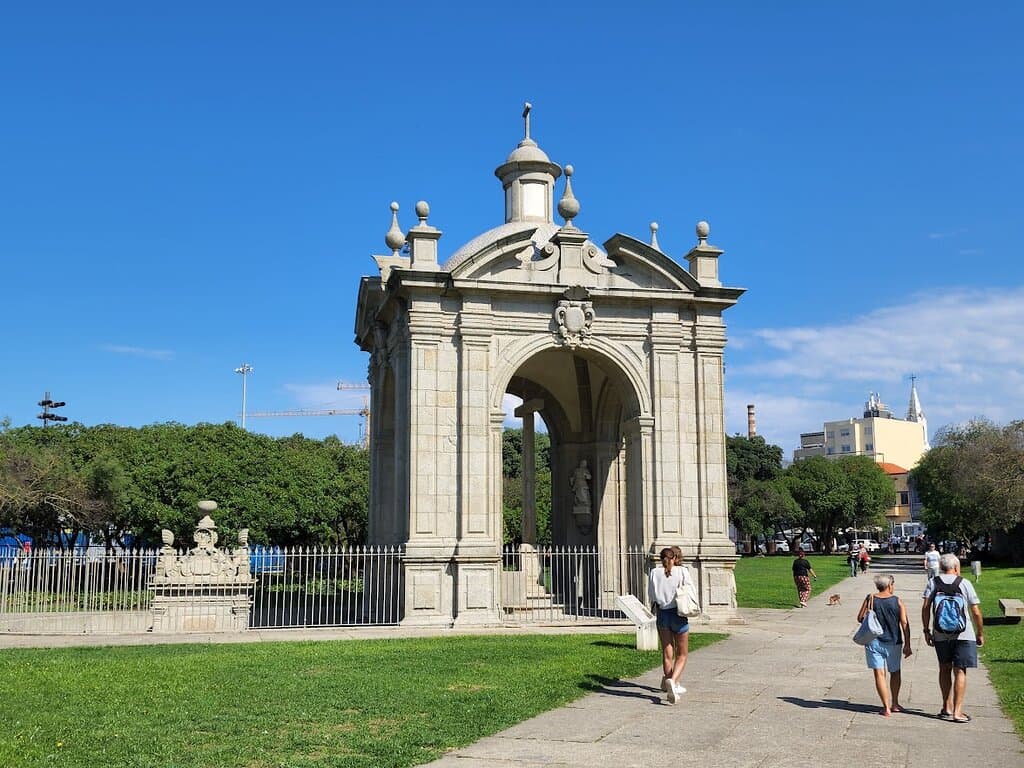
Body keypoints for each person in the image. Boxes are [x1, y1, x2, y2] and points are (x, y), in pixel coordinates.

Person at [921, 553, 984, 723]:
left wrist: (927, 630)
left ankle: (946, 706)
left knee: (944, 668)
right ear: (956, 568)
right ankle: (958, 711)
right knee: (960, 671)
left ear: (941, 567)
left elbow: (926, 608)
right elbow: (976, 611)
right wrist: (980, 632)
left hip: (940, 633)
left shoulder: (933, 582)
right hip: (964, 634)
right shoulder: (964, 583)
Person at [857, 573, 912, 716]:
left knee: (879, 674)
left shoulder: (870, 598)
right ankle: (895, 703)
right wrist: (908, 644)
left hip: (873, 641)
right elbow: (904, 623)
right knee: (895, 672)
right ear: (889, 585)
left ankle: (886, 707)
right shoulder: (898, 601)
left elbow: (860, 618)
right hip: (894, 641)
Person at [647, 546, 690, 704]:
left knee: (667, 652)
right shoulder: (682, 572)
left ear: (660, 559)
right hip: (678, 613)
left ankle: (670, 682)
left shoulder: (654, 573)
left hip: (662, 613)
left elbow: (651, 595)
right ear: (674, 558)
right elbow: (689, 590)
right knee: (682, 654)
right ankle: (673, 681)